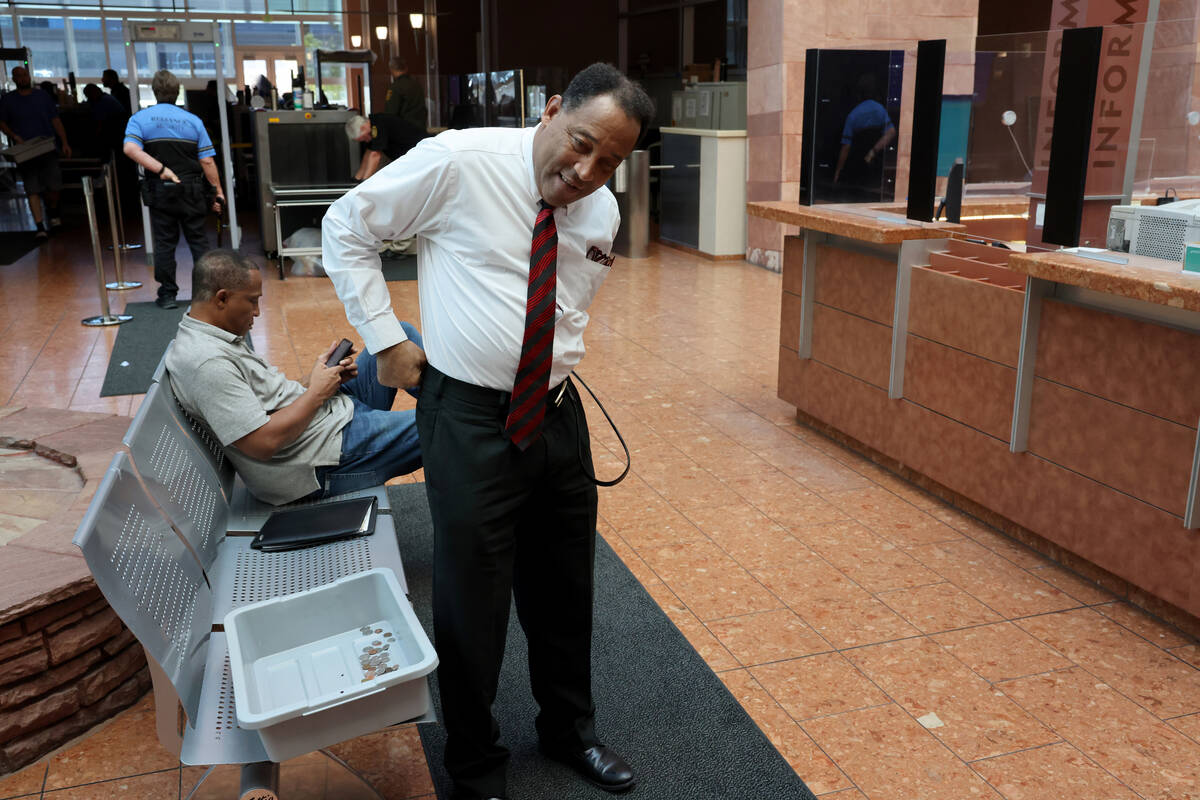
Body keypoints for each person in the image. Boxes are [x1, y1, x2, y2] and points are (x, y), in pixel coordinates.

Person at [322, 62, 653, 800]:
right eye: (582, 142)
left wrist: (546, 363)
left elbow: (566, 305)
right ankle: (474, 764)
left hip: (558, 416)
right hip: (468, 417)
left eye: (611, 161)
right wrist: (383, 336)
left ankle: (570, 732)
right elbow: (346, 227)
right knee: (473, 598)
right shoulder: (459, 163)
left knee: (565, 588)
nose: (588, 169)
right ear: (551, 108)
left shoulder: (600, 212)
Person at [166, 248, 423, 505]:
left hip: (323, 423)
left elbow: (267, 400)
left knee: (399, 336)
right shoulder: (207, 363)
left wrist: (314, 379)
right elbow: (263, 442)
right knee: (444, 421)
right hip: (320, 459)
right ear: (221, 299)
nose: (257, 312)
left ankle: (455, 401)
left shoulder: (211, 333)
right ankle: (457, 409)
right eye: (252, 301)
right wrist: (316, 393)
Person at [123, 69, 224, 309]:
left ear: (155, 91)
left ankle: (167, 295)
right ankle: (205, 295)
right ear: (177, 92)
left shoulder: (140, 119)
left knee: (165, 244)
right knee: (198, 242)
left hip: (161, 191)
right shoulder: (193, 121)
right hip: (192, 191)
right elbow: (207, 161)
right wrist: (218, 192)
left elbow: (130, 149)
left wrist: (160, 170)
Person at [0, 65, 72, 240]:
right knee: (32, 188)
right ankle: (40, 225)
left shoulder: (42, 96)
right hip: (25, 150)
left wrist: (64, 142)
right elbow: (2, 122)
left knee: (54, 185)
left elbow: (55, 119)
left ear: (28, 76)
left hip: (46, 146)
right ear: (14, 79)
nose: (22, 78)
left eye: (24, 75)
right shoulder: (8, 100)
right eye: (18, 76)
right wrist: (13, 135)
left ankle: (53, 212)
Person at [832, 73, 896, 201]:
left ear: (859, 93)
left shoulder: (853, 115)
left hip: (857, 171)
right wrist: (873, 151)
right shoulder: (880, 110)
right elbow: (891, 132)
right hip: (876, 170)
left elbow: (846, 147)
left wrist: (838, 172)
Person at [344, 113, 426, 182]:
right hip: (408, 158)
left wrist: (364, 182)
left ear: (363, 128)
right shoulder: (371, 129)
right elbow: (368, 153)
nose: (366, 141)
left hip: (421, 154)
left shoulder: (377, 125)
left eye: (364, 138)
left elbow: (375, 155)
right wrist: (357, 179)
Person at [383, 56, 426, 133]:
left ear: (391, 69)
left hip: (404, 132)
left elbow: (390, 113)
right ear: (406, 68)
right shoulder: (417, 85)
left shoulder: (395, 87)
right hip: (420, 129)